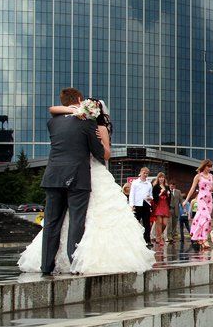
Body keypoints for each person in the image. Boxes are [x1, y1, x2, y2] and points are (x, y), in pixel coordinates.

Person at [19, 95, 155, 274]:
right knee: (76, 221)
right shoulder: (86, 124)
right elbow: (98, 152)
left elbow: (54, 111)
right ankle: (74, 262)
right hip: (79, 175)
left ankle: (46, 265)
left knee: (53, 222)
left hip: (58, 175)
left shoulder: (55, 123)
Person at [183, 160, 213, 250]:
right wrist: (186, 200)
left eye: (210, 167)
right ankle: (204, 239)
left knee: (202, 219)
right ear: (204, 166)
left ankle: (198, 237)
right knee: (207, 218)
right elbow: (192, 188)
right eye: (208, 166)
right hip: (201, 199)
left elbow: (210, 188)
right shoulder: (198, 176)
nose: (209, 168)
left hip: (209, 199)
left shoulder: (211, 176)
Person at [129, 167, 154, 247]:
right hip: (137, 205)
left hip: (146, 204)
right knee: (136, 223)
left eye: (147, 173)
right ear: (140, 172)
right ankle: (135, 240)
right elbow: (132, 194)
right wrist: (131, 205)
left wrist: (150, 198)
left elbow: (151, 195)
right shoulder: (135, 182)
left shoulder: (149, 184)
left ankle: (147, 240)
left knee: (147, 223)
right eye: (144, 173)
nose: (145, 175)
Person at [151, 172, 171, 246]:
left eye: (162, 177)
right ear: (158, 178)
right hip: (158, 205)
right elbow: (154, 198)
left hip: (165, 205)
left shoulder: (167, 186)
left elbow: (169, 198)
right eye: (160, 177)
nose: (161, 178)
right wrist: (160, 193)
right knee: (159, 223)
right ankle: (159, 238)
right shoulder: (155, 187)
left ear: (164, 178)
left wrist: (168, 194)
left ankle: (158, 236)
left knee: (165, 223)